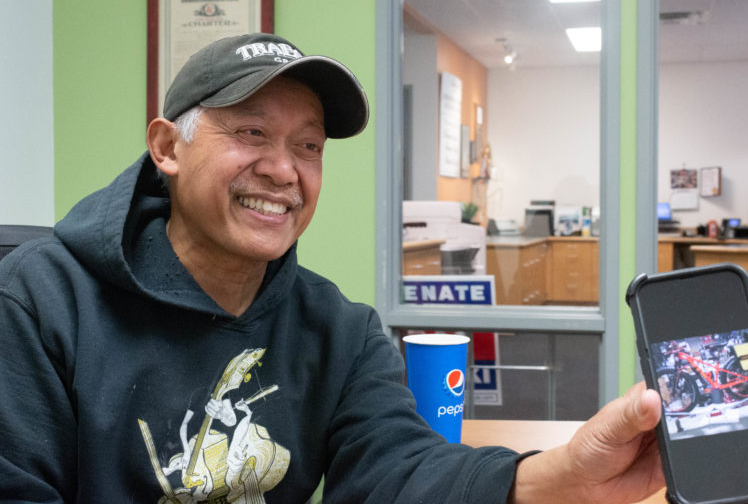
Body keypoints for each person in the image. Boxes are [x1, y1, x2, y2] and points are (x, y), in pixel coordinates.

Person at [0, 32, 664, 503]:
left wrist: (562, 476)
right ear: (168, 147)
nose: (284, 170)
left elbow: (399, 469)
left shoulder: (339, 331)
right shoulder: (39, 301)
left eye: (308, 145)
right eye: (252, 132)